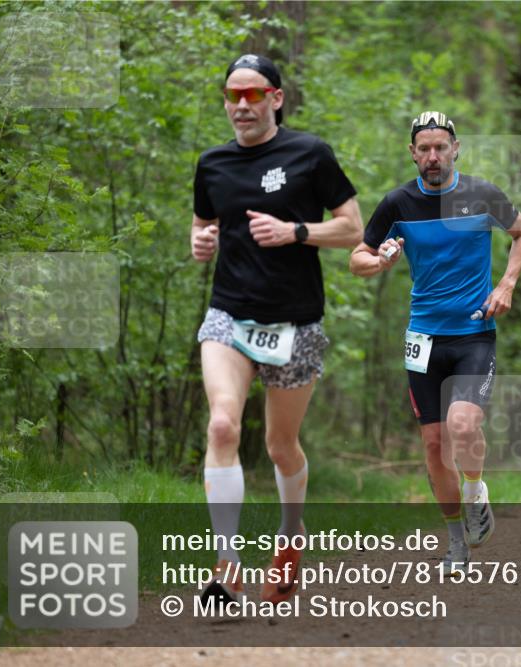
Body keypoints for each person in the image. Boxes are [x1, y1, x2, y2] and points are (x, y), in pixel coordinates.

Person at [191, 54, 362, 605]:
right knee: (223, 426)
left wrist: (295, 232)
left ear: (276, 98)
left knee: (280, 445)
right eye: (232, 95)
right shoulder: (212, 163)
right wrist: (200, 242)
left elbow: (352, 229)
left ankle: (290, 537)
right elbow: (202, 226)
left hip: (295, 322)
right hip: (229, 316)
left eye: (253, 95)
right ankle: (227, 564)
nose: (242, 105)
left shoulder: (310, 154)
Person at [350, 111, 521, 570]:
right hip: (423, 339)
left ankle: (475, 491)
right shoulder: (397, 204)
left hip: (473, 333)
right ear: (412, 153)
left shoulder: (481, 194)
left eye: (440, 147)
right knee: (433, 444)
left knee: (463, 425)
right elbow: (357, 258)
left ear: (456, 149)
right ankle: (456, 543)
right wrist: (379, 262)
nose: (433, 156)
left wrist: (507, 284)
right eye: (424, 149)